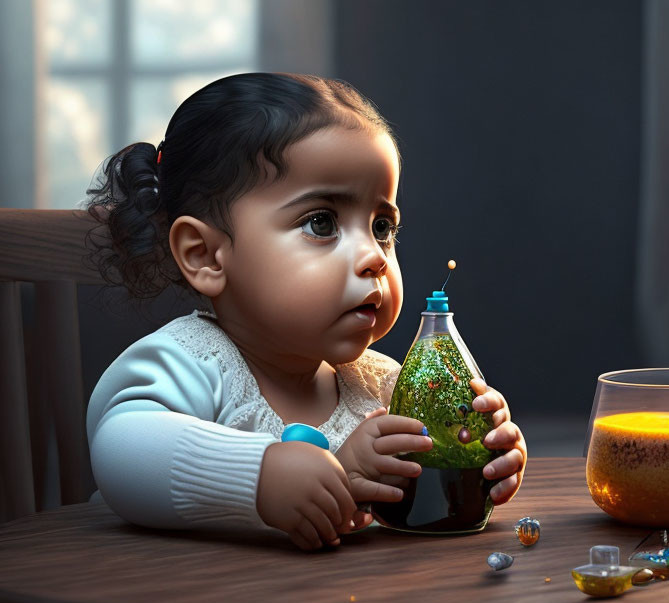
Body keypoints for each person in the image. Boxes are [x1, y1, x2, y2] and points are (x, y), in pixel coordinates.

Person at [84, 72, 528, 551]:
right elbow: (120, 448)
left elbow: (403, 501)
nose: (374, 257)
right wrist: (259, 475)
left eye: (382, 227)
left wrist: (479, 451)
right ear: (205, 255)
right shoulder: (191, 363)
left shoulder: (380, 384)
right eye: (322, 222)